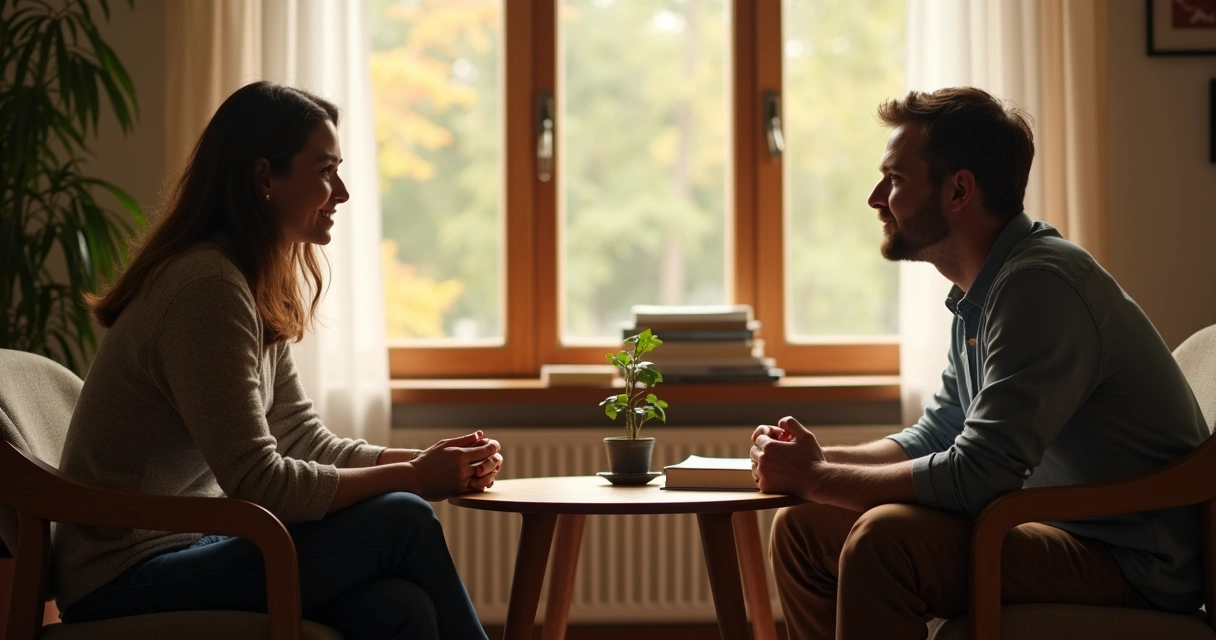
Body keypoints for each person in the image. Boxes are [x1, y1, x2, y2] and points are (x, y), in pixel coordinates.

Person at [751, 86, 1209, 640]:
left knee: (884, 540)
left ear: (959, 190)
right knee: (802, 528)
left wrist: (821, 476)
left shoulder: (1039, 286)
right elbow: (938, 433)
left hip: (1133, 559)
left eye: (895, 179)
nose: (875, 197)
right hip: (1055, 527)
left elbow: (979, 474)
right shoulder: (984, 291)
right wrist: (815, 463)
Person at [53, 81, 500, 640]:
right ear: (265, 177)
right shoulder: (205, 288)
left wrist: (430, 460)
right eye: (325, 171)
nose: (342, 191)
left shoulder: (246, 278)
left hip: (197, 542)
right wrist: (412, 477)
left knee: (400, 606)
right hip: (122, 575)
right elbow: (259, 481)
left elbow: (299, 438)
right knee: (404, 519)